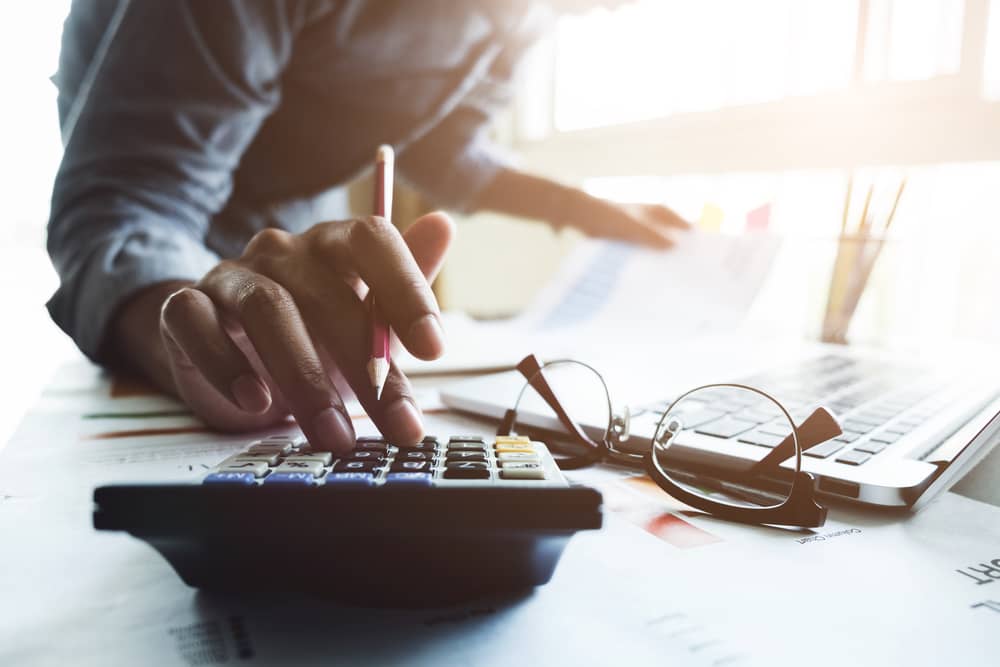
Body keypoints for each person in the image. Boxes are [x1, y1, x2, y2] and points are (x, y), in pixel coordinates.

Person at [47, 1, 687, 454]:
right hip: (182, 293)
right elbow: (125, 203)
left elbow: (445, 147)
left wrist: (577, 207)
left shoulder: (525, 13)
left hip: (293, 276)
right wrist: (184, 331)